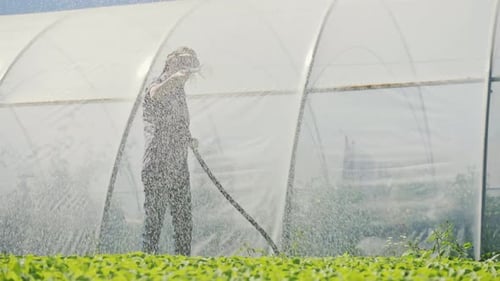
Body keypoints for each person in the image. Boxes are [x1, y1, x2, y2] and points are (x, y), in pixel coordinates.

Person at [141, 47, 199, 255]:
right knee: (153, 223)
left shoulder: (179, 93)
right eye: (183, 61)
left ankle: (182, 270)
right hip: (157, 164)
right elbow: (155, 95)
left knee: (183, 224)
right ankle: (145, 268)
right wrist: (174, 79)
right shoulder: (160, 83)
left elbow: (174, 126)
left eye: (190, 62)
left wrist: (188, 139)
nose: (187, 67)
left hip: (178, 166)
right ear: (170, 63)